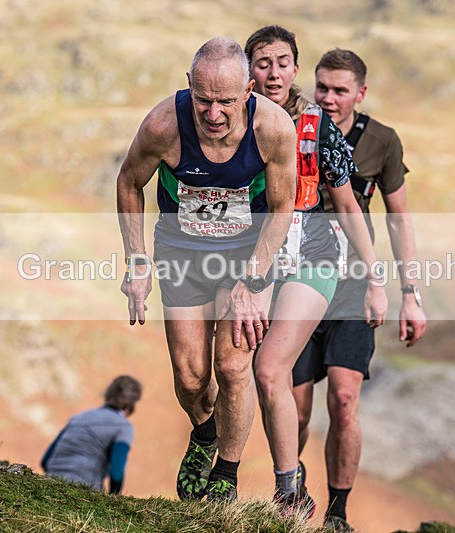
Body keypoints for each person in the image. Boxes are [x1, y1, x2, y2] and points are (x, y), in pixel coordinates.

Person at [116, 37, 297, 502]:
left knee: (233, 367)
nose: (213, 114)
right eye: (202, 101)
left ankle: (226, 476)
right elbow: (129, 182)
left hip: (247, 252)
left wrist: (255, 281)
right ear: (188, 88)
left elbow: (281, 208)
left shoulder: (273, 129)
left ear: (249, 91)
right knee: (192, 376)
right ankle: (204, 432)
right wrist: (137, 261)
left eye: (225, 103)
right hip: (181, 250)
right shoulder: (163, 125)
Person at [244, 26, 387, 519]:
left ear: (295, 68)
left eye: (283, 62)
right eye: (263, 62)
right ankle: (239, 475)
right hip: (248, 268)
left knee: (271, 371)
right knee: (235, 375)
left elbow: (348, 205)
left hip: (312, 260)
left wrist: (376, 280)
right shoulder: (226, 121)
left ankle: (297, 496)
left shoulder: (315, 126)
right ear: (248, 70)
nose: (274, 72)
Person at [291, 49, 428, 532]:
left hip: (352, 288)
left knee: (345, 400)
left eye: (340, 90)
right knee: (296, 405)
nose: (328, 98)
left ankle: (337, 515)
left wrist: (410, 293)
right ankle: (288, 495)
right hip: (296, 281)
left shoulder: (382, 143)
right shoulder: (293, 127)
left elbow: (399, 218)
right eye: (322, 87)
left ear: (360, 94)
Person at [41, 375, 142, 494]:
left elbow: (46, 460)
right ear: (132, 404)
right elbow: (116, 473)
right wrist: (114, 499)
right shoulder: (123, 427)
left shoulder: (78, 418)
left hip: (48, 484)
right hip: (83, 490)